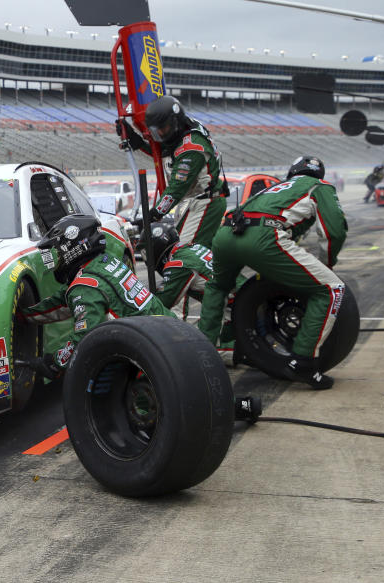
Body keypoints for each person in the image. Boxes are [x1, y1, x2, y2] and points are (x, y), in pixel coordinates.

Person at [197, 156, 347, 390]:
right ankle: (304, 361)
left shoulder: (275, 187)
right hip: (263, 238)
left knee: (217, 287)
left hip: (226, 235)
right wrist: (326, 265)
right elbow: (334, 232)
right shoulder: (320, 186)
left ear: (292, 172)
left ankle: (200, 355)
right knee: (331, 288)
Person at [19, 213, 176, 379]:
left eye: (58, 250)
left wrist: (55, 363)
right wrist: (24, 315)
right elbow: (62, 301)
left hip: (158, 352)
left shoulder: (86, 285)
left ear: (72, 248)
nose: (57, 256)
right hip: (169, 332)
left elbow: (84, 338)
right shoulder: (104, 262)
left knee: (133, 397)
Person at [116, 95, 228, 248]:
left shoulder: (191, 148)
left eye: (163, 128)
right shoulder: (182, 132)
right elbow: (162, 152)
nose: (160, 134)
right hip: (193, 201)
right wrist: (135, 140)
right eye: (157, 130)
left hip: (205, 202)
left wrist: (154, 213)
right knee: (204, 255)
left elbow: (177, 188)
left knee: (186, 253)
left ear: (175, 122)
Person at [145, 222, 245, 362]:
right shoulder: (193, 248)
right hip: (244, 297)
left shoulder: (178, 264)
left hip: (234, 308)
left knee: (193, 348)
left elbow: (162, 303)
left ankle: (245, 350)